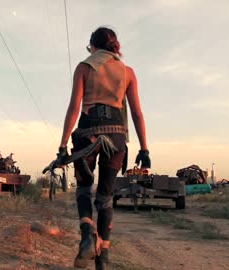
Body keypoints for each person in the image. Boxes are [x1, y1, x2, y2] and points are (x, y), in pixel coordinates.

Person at [57, 27, 150, 269]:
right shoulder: (127, 72)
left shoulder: (84, 67)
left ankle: (88, 235)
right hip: (117, 137)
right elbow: (138, 114)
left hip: (87, 136)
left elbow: (74, 109)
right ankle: (103, 261)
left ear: (93, 47)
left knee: (84, 190)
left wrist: (62, 144)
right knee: (105, 199)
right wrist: (144, 149)